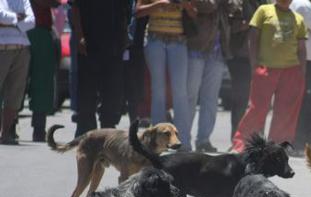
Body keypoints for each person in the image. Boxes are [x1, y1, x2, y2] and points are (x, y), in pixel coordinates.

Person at [230, 0, 307, 153]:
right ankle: (242, 145)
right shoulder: (263, 11)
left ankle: (277, 147)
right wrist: (254, 64)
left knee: (286, 111)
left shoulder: (298, 18)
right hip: (266, 68)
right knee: (257, 109)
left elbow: (302, 49)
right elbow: (253, 37)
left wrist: (302, 73)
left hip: (291, 70)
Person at [136, 0, 197, 150]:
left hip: (179, 42)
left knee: (180, 93)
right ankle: (155, 143)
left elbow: (194, 14)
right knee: (158, 91)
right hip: (155, 40)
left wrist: (185, 4)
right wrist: (160, 3)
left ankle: (183, 142)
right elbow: (138, 11)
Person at [186, 0, 241, 152]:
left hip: (217, 51)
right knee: (190, 96)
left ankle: (203, 140)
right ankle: (183, 139)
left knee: (210, 99)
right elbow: (205, 5)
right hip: (196, 47)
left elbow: (235, 7)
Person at [70, 0, 130, 137]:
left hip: (115, 44)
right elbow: (75, 7)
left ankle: (107, 131)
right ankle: (85, 130)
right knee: (87, 89)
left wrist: (125, 36)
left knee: (113, 91)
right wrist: (79, 35)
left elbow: (126, 10)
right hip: (90, 42)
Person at [289, 0, 311, 156]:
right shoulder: (304, 5)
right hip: (306, 59)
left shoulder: (291, 3)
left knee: (296, 102)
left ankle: (295, 142)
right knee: (307, 104)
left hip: (291, 58)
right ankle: (302, 144)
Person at [227, 0, 264, 140]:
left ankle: (254, 138)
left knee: (257, 102)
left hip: (260, 58)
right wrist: (253, 23)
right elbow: (232, 26)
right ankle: (237, 138)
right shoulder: (237, 3)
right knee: (241, 101)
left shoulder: (264, 3)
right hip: (241, 58)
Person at [0, 0, 34, 145]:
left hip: (21, 48)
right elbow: (1, 15)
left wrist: (9, 23)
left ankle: (5, 133)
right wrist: (18, 19)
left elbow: (32, 21)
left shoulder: (23, 0)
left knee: (15, 93)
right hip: (2, 48)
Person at [27, 0, 60, 142]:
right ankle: (9, 127)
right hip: (23, 30)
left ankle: (39, 129)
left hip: (41, 30)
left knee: (42, 82)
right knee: (13, 81)